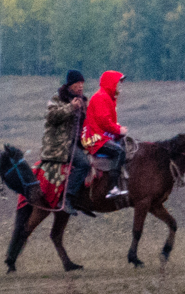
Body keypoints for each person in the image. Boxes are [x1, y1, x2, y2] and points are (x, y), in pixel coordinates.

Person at [79, 69, 131, 200]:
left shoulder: (106, 97)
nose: (119, 87)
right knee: (119, 152)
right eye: (117, 84)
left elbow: (107, 122)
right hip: (94, 138)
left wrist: (118, 128)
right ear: (111, 83)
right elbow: (104, 122)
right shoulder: (101, 97)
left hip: (99, 135)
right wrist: (119, 130)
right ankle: (113, 187)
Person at [39, 70, 86, 211]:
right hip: (59, 145)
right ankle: (67, 198)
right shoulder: (57, 98)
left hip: (77, 142)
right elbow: (52, 117)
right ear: (70, 85)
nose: (81, 87)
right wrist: (71, 107)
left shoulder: (83, 100)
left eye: (82, 84)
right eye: (78, 83)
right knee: (84, 164)